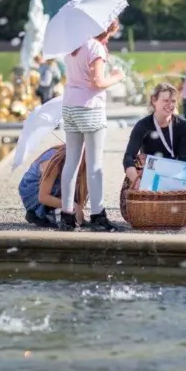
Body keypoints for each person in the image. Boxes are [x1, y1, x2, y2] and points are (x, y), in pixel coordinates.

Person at [58, 19, 125, 232]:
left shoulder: (73, 46)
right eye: (110, 33)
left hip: (70, 107)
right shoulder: (96, 47)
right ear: (106, 31)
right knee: (95, 165)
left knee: (71, 163)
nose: (109, 38)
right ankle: (98, 215)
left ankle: (66, 216)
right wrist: (116, 78)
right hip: (89, 108)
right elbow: (97, 82)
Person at [122, 83, 186, 185]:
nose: (170, 105)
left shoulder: (184, 126)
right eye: (165, 101)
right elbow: (129, 157)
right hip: (148, 174)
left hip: (174, 175)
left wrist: (176, 180)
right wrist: (137, 181)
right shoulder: (143, 125)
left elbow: (185, 160)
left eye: (173, 101)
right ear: (154, 100)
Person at [19, 145, 88, 229]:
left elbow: (81, 193)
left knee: (77, 215)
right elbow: (43, 197)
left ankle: (53, 212)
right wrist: (71, 206)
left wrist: (79, 212)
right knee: (70, 208)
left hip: (53, 191)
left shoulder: (86, 164)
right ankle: (38, 213)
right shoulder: (55, 162)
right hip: (35, 192)